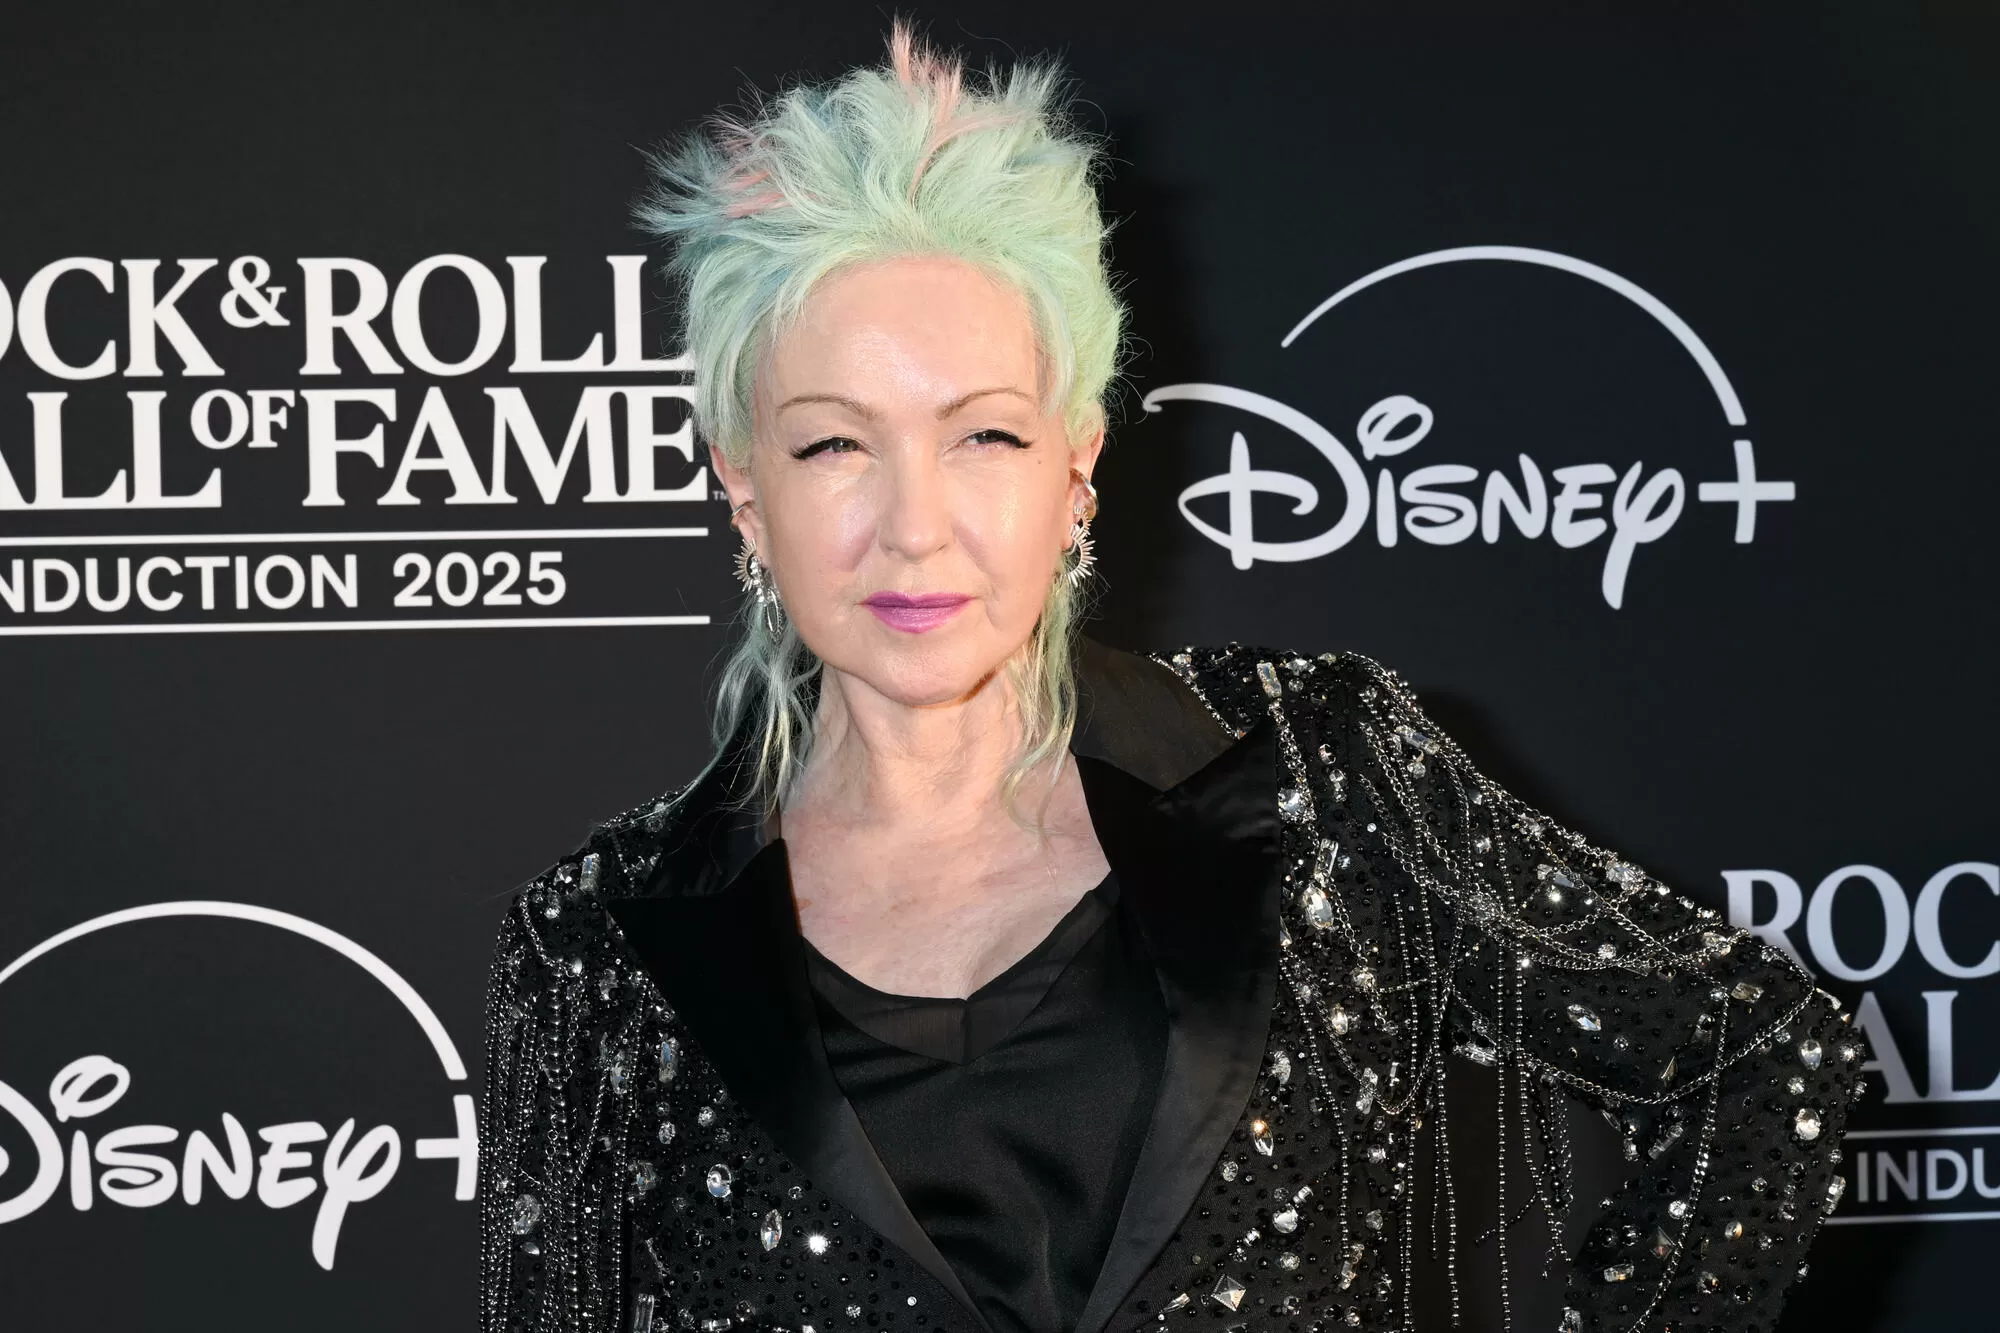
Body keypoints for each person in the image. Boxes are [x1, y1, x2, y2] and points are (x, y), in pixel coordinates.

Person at [477, 24, 1864, 1333]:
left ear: (1076, 465)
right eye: (835, 444)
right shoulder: (592, 946)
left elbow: (1757, 1060)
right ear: (745, 489)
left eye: (985, 438)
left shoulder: (1318, 768)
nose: (915, 526)